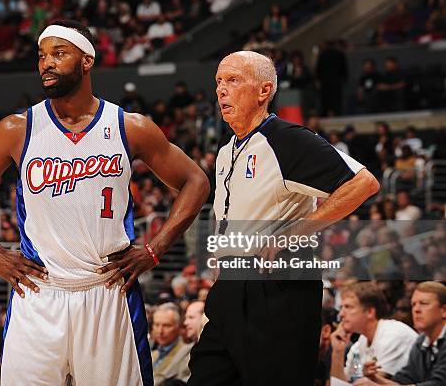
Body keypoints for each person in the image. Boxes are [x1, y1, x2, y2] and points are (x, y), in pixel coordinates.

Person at [0, 19, 209, 385]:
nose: (47, 63)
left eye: (59, 53)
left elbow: (196, 180)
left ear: (87, 60)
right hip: (39, 292)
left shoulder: (128, 126)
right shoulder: (17, 129)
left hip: (108, 292)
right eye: (42, 56)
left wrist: (155, 248)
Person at [187, 50, 380, 386]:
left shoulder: (287, 140)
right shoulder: (225, 151)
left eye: (233, 80)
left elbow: (363, 183)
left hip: (277, 288)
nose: (221, 89)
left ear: (264, 91)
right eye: (218, 81)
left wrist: (294, 231)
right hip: (230, 289)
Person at [353, 281, 446, 386]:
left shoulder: (395, 334)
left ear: (444, 310)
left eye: (424, 303)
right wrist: (375, 379)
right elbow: (403, 380)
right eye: (413, 304)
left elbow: (439, 383)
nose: (416, 310)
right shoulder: (421, 342)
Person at [330, 282, 418, 382]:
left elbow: (374, 383)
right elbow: (341, 383)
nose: (341, 314)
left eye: (348, 307)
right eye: (341, 308)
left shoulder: (393, 334)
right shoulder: (362, 341)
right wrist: (337, 352)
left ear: (370, 312)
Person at [152, 303, 193, 385]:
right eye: (157, 325)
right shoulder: (152, 354)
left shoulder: (188, 353)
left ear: (178, 327)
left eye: (167, 326)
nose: (160, 331)